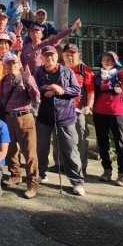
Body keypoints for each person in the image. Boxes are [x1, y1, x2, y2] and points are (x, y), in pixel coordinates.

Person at [34, 45, 85, 196]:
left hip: (66, 116)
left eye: (52, 56)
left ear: (57, 57)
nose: (49, 59)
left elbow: (76, 91)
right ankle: (42, 174)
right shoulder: (39, 72)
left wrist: (59, 90)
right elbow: (35, 88)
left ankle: (77, 182)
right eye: (46, 56)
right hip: (44, 116)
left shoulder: (68, 72)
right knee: (41, 149)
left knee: (70, 150)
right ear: (42, 58)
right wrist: (50, 87)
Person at [93, 44, 123, 187]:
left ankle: (122, 174)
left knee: (121, 145)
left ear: (115, 62)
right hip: (99, 113)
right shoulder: (97, 77)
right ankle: (107, 170)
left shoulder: (120, 74)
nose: (106, 61)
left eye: (110, 59)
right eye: (104, 59)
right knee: (103, 144)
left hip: (117, 113)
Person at [0, 55, 40, 199]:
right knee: (11, 149)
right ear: (5, 66)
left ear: (19, 64)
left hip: (25, 117)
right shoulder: (3, 81)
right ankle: (15, 175)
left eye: (14, 63)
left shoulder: (26, 77)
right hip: (9, 118)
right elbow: (0, 100)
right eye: (9, 64)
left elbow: (36, 97)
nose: (12, 66)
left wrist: (28, 81)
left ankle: (32, 183)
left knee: (29, 152)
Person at [61, 43, 95, 176]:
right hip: (62, 108)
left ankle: (81, 165)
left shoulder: (84, 69)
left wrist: (89, 106)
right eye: (67, 54)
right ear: (62, 55)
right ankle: (61, 163)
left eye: (72, 54)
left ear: (78, 55)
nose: (70, 57)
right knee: (60, 136)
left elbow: (90, 90)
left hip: (79, 109)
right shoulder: (59, 68)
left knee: (81, 136)